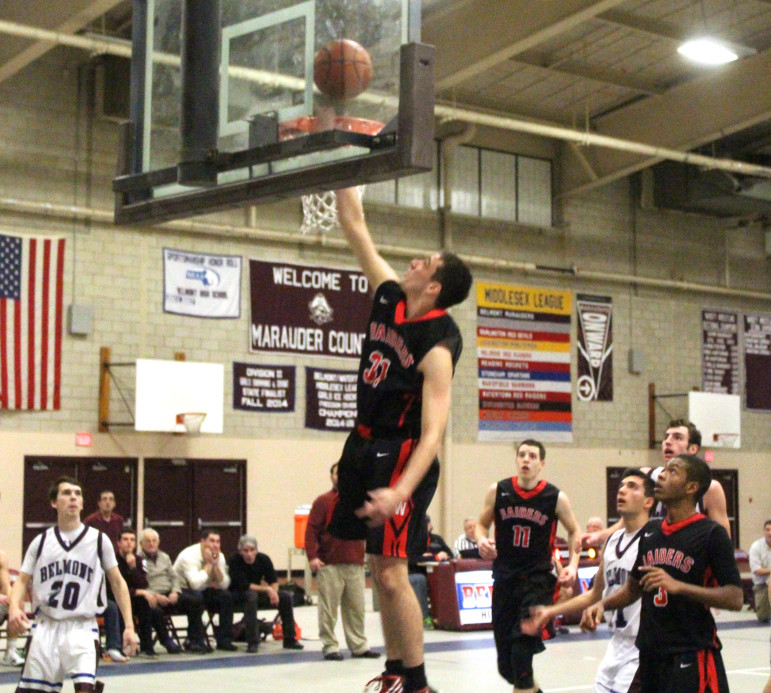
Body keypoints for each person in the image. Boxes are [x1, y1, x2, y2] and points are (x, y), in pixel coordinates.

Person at [327, 184, 472, 693]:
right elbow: (354, 224)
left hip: (403, 453)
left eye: (425, 262)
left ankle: (416, 681)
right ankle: (395, 669)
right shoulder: (389, 295)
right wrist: (348, 163)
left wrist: (400, 492)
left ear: (433, 287)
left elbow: (434, 433)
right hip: (364, 442)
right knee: (379, 568)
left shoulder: (438, 344)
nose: (413, 261)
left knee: (392, 570)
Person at [583, 455, 743, 693]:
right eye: (663, 471)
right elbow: (634, 588)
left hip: (690, 653)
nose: (661, 476)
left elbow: (735, 598)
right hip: (650, 654)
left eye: (672, 472)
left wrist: (679, 586)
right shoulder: (650, 531)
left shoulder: (711, 534)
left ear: (691, 487)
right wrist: (602, 605)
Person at [522, 468, 656, 693]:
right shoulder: (613, 541)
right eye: (621, 485)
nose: (622, 490)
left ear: (649, 501)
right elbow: (595, 594)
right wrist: (550, 611)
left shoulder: (655, 538)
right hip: (616, 645)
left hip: (643, 648)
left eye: (632, 487)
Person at [8, 476, 138, 693]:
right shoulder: (40, 542)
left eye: (77, 494)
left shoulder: (99, 540)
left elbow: (118, 582)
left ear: (82, 503)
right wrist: (13, 608)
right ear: (53, 502)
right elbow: (21, 581)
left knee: (85, 689)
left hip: (83, 626)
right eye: (66, 493)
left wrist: (129, 627)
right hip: (46, 625)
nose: (73, 498)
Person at [475, 439, 581, 693]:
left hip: (537, 581)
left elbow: (575, 530)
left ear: (541, 464)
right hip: (504, 579)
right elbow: (481, 524)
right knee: (507, 667)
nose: (526, 459)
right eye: (522, 454)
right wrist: (481, 541)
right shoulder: (498, 490)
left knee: (522, 654)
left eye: (532, 456)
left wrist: (573, 565)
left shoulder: (555, 497)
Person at [586, 420, 731, 547]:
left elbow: (724, 544)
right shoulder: (648, 476)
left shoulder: (710, 489)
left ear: (692, 449)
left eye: (677, 438)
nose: (668, 441)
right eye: (666, 437)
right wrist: (598, 536)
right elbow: (626, 522)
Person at [305, 462, 378, 661]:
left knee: (356, 608)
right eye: (337, 473)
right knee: (328, 609)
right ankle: (330, 646)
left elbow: (370, 526)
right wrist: (312, 556)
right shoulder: (322, 501)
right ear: (332, 477)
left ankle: (359, 646)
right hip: (330, 563)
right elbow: (311, 530)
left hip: (355, 563)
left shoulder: (359, 501)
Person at [227, 534, 304, 652]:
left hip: (257, 593)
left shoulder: (264, 559)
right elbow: (245, 585)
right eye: (246, 551)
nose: (249, 554)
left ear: (257, 550)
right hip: (237, 595)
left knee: (286, 597)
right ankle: (252, 642)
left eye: (252, 550)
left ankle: (290, 639)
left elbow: (273, 581)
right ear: (240, 551)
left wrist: (274, 593)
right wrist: (268, 590)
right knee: (251, 596)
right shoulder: (234, 560)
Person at [114, 529, 175, 657]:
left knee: (146, 604)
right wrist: (139, 591)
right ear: (118, 543)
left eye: (131, 540)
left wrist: (133, 568)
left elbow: (143, 583)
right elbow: (113, 587)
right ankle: (117, 645)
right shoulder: (113, 560)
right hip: (117, 599)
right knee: (142, 600)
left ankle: (147, 647)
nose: (129, 543)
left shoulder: (139, 560)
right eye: (125, 540)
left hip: (135, 598)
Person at [173, 529, 236, 652]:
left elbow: (224, 584)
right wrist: (208, 565)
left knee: (226, 596)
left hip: (202, 589)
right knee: (196, 598)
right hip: (181, 590)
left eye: (218, 542)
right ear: (202, 542)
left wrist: (216, 566)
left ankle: (224, 640)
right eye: (211, 541)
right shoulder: (189, 556)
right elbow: (195, 584)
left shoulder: (220, 556)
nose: (215, 545)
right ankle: (194, 641)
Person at [136, 528, 187, 654]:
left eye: (154, 541)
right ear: (141, 543)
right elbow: (139, 583)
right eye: (147, 541)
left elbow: (174, 577)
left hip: (170, 594)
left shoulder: (165, 557)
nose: (151, 544)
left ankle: (195, 640)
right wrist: (155, 595)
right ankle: (166, 640)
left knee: (195, 600)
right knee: (155, 611)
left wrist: (175, 591)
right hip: (152, 596)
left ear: (158, 542)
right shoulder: (138, 560)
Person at [408, 516, 453, 630]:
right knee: (419, 579)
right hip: (417, 572)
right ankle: (424, 617)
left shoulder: (437, 539)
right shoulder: (413, 541)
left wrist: (443, 556)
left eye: (427, 525)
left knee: (447, 578)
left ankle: (446, 616)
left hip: (436, 573)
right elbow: (413, 560)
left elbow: (450, 555)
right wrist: (435, 557)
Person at [0, 545, 24, 666]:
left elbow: (6, 586)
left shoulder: (1, 556)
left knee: (17, 602)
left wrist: (13, 601)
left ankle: (10, 652)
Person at [749, 519, 771, 623]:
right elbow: (757, 570)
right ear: (764, 531)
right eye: (767, 530)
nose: (770, 533)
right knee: (763, 617)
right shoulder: (756, 547)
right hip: (762, 585)